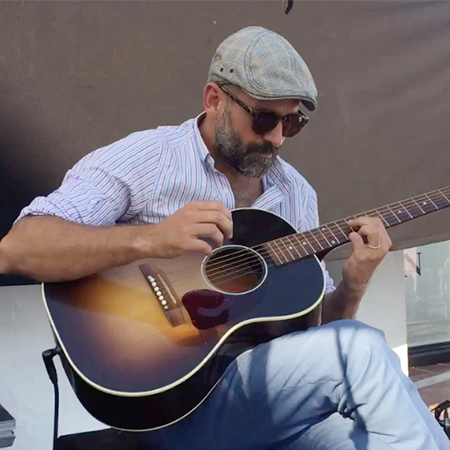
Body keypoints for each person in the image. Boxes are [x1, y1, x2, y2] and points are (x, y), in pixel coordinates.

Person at [0, 26, 448, 450]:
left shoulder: (295, 194)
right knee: (364, 346)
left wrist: (354, 282)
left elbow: (319, 341)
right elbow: (19, 248)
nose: (276, 138)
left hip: (270, 406)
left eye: (291, 124)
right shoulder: (148, 160)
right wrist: (150, 240)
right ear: (214, 98)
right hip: (174, 406)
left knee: (389, 426)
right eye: (264, 118)